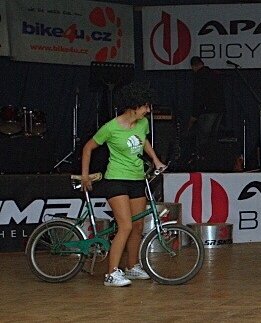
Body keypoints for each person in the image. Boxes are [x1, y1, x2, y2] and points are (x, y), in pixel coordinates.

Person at [80, 82, 166, 287]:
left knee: (137, 226)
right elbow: (88, 148)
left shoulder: (142, 124)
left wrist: (156, 160)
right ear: (133, 106)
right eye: (145, 106)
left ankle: (132, 266)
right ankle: (111, 274)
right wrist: (85, 175)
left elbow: (144, 141)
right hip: (116, 180)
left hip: (137, 179)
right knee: (125, 226)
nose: (148, 110)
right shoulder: (110, 128)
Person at [186, 56, 226, 165]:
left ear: (193, 66)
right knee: (213, 138)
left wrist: (194, 115)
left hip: (207, 111)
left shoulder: (199, 77)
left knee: (203, 138)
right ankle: (212, 162)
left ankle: (202, 161)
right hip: (218, 110)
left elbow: (199, 97)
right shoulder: (214, 74)